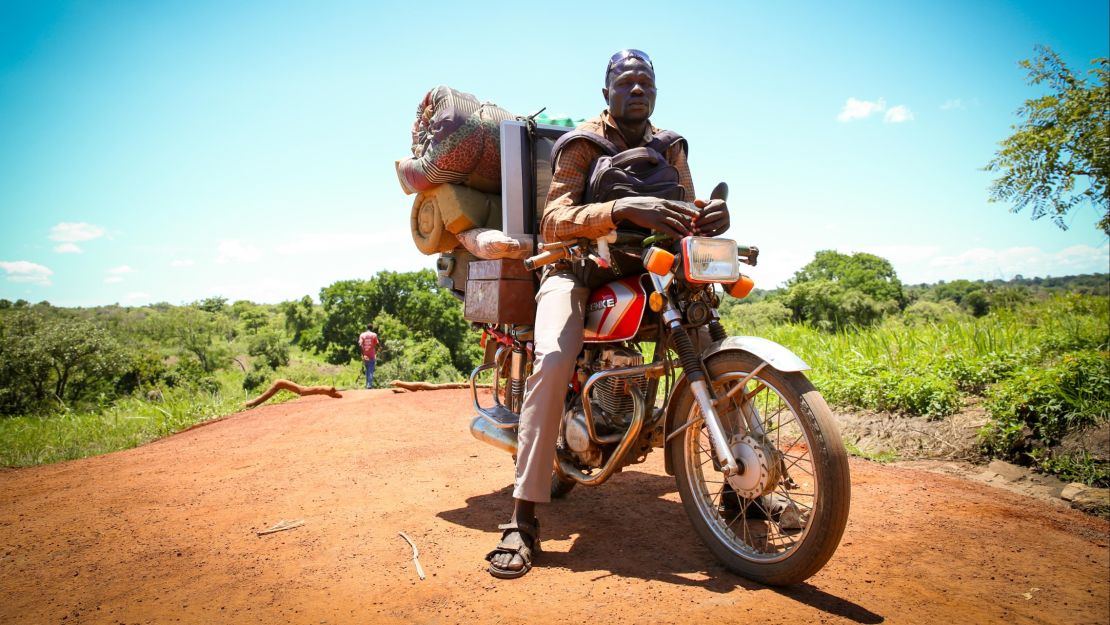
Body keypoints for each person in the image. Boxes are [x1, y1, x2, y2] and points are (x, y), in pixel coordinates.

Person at [485, 49, 730, 578]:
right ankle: (522, 519)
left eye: (646, 82)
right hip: (577, 266)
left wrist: (710, 217)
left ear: (656, 92)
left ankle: (735, 488)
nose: (637, 90)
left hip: (652, 266)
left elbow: (685, 208)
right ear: (607, 93)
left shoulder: (671, 146)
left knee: (710, 338)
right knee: (552, 359)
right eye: (626, 82)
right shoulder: (581, 143)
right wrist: (620, 209)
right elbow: (554, 220)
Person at [358, 324, 379, 389]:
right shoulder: (374, 335)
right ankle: (369, 385)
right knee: (370, 370)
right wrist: (379, 348)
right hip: (372, 355)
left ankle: (367, 384)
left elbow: (360, 344)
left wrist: (363, 354)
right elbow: (377, 343)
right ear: (372, 328)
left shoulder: (362, 335)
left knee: (367, 370)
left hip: (365, 355)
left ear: (366, 328)